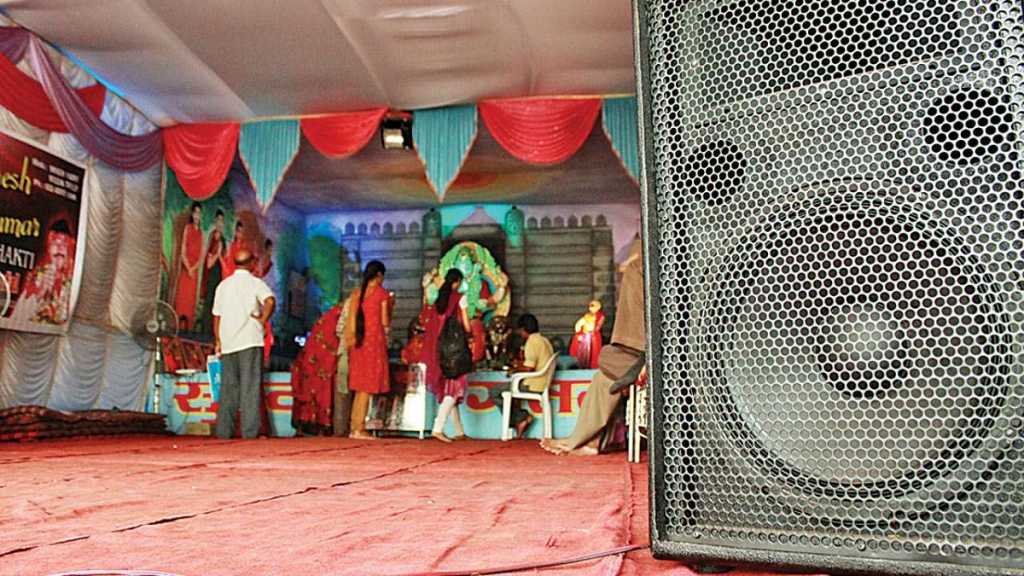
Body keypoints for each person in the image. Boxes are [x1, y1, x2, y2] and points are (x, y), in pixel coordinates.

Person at [541, 238, 645, 456]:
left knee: (610, 365)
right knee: (606, 375)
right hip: (639, 351)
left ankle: (583, 441)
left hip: (655, 351)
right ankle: (590, 442)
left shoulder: (642, 269)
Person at [212, 249, 275, 439]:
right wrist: (262, 320)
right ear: (251, 264)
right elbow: (270, 301)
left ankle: (224, 432)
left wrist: (218, 340)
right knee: (250, 387)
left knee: (228, 389)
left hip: (228, 341)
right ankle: (249, 432)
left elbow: (217, 316)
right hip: (250, 340)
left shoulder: (223, 286)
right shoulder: (255, 283)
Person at [421, 269, 471, 442]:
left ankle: (459, 431)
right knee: (455, 388)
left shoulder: (438, 301)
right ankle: (438, 428)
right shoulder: (460, 298)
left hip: (438, 351)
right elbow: (467, 326)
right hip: (454, 351)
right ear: (457, 282)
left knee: (449, 389)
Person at [345, 261, 391, 440]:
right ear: (379, 275)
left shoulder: (357, 293)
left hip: (358, 343)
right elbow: (385, 321)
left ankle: (355, 426)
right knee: (367, 386)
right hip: (373, 343)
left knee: (359, 387)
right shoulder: (381, 293)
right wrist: (391, 305)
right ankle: (359, 428)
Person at [487, 313, 554, 438]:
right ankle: (520, 418)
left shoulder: (532, 342)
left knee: (494, 391)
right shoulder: (544, 340)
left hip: (533, 384)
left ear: (523, 329)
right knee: (507, 392)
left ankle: (520, 418)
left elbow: (529, 368)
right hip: (543, 383)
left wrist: (515, 369)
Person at [290, 303, 344, 435]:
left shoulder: (329, 319)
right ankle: (321, 424)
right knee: (323, 389)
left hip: (313, 360)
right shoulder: (337, 317)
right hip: (322, 360)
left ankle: (308, 424)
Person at [11, 218, 75, 325]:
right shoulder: (36, 280)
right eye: (55, 243)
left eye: (64, 244)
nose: (59, 248)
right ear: (49, 249)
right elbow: (15, 320)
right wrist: (39, 293)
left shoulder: (75, 282)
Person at [173, 202, 203, 330]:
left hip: (194, 271)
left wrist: (194, 268)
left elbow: (201, 255)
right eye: (195, 213)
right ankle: (178, 325)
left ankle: (188, 327)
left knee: (191, 300)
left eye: (199, 213)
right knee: (182, 297)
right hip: (186, 269)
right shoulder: (188, 228)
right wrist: (188, 267)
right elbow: (183, 251)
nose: (197, 216)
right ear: (192, 214)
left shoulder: (200, 232)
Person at [197, 209, 227, 334]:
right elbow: (209, 263)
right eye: (218, 220)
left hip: (219, 275)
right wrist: (217, 254)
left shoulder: (223, 240)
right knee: (209, 302)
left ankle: (213, 331)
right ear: (215, 221)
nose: (220, 223)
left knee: (217, 303)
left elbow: (224, 259)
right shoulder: (212, 237)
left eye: (222, 221)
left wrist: (220, 255)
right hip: (211, 275)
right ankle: (205, 330)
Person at [569, 300, 605, 369]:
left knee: (595, 351)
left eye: (593, 306)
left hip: (594, 336)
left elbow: (598, 326)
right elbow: (579, 324)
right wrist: (579, 331)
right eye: (590, 306)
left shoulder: (600, 316)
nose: (591, 308)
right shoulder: (587, 315)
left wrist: (592, 331)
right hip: (586, 336)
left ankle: (594, 365)